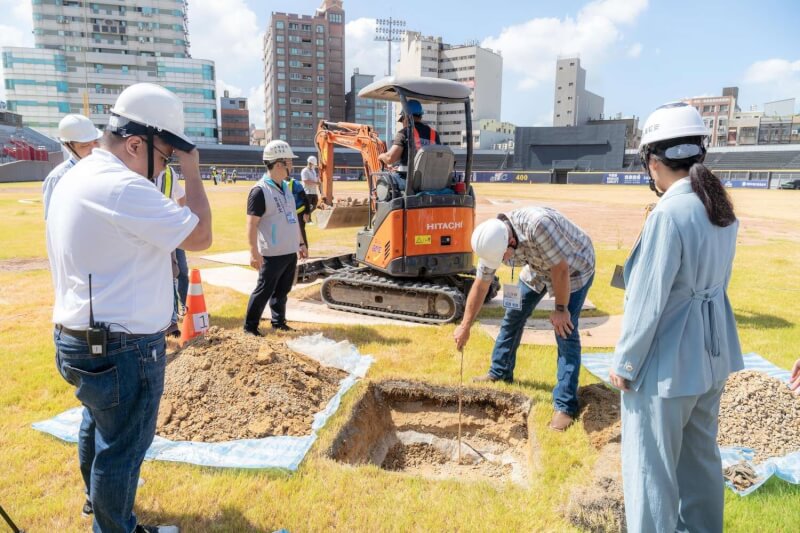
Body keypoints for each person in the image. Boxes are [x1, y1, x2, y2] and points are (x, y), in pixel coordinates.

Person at [46, 82, 212, 533]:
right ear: (136, 144)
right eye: (166, 156)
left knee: (99, 429)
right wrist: (194, 173)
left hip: (81, 337)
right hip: (123, 347)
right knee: (123, 450)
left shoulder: (78, 175)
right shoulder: (121, 187)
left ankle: (101, 510)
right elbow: (200, 237)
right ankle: (113, 525)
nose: (167, 167)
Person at [608, 102, 742, 533]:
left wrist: (625, 364)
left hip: (666, 368)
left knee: (650, 474)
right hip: (711, 357)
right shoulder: (719, 210)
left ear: (653, 161)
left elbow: (647, 301)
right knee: (701, 463)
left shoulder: (669, 213)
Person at [454, 209, 595, 431]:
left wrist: (561, 309)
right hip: (537, 268)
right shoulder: (493, 240)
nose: (503, 262)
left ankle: (566, 405)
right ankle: (500, 372)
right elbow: (481, 285)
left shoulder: (539, 226)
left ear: (511, 241)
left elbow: (561, 270)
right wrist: (465, 326)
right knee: (513, 316)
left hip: (574, 268)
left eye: (503, 257)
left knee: (564, 330)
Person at [243, 140, 308, 336]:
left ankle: (278, 322)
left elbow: (293, 218)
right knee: (263, 290)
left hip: (289, 251)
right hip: (271, 253)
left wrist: (301, 242)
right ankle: (250, 327)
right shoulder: (260, 191)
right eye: (289, 161)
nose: (292, 165)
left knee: (282, 291)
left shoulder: (286, 187)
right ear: (279, 164)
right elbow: (251, 224)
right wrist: (254, 253)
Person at [42, 114, 102, 218]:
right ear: (67, 146)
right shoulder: (57, 178)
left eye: (95, 142)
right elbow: (52, 220)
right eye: (85, 145)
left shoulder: (105, 168)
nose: (94, 149)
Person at [154, 164, 189, 337]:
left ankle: (173, 319)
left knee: (178, 272)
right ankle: (167, 322)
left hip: (169, 230)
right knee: (162, 277)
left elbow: (181, 195)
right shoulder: (134, 169)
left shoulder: (168, 172)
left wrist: (178, 218)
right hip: (151, 234)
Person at [377, 99, 439, 190]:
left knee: (383, 182)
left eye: (402, 120)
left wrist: (381, 156)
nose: (402, 123)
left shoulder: (404, 132)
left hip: (409, 181)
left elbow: (390, 158)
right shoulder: (434, 134)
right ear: (420, 116)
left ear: (406, 116)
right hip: (430, 181)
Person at [288, 173, 311, 249]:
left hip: (299, 212)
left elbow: (305, 198)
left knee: (300, 231)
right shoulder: (279, 184)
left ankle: (305, 249)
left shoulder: (295, 184)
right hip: (289, 213)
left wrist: (307, 212)